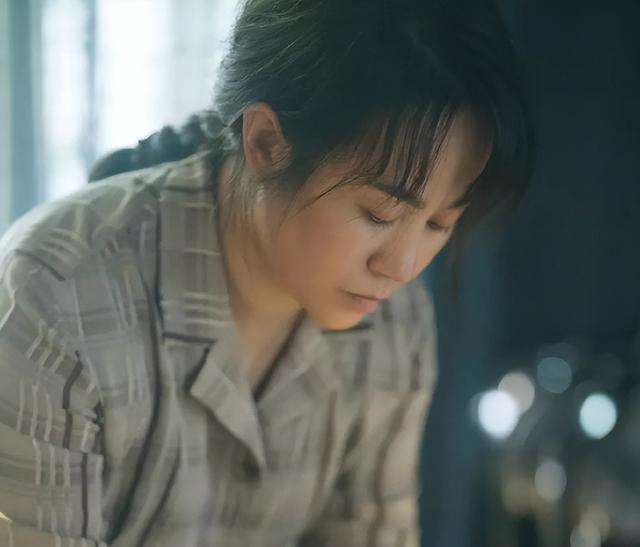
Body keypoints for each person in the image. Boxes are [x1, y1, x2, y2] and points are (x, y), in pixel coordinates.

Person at [0, 0, 532, 545]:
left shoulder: (394, 323)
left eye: (440, 223)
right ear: (266, 144)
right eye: (380, 214)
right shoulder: (56, 301)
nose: (402, 267)